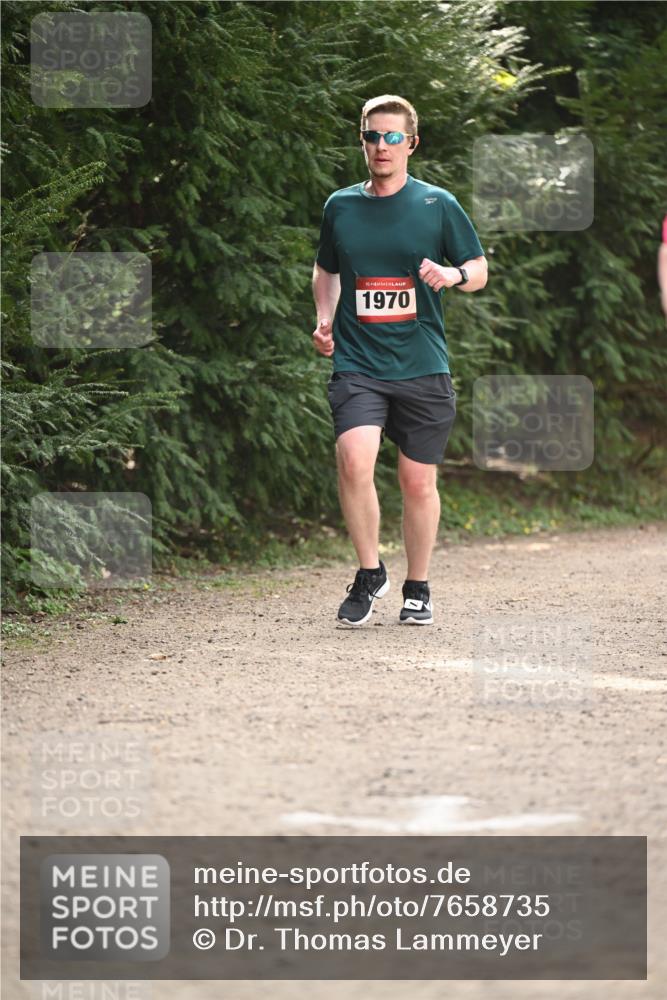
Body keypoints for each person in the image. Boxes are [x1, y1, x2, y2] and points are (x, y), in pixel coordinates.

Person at [312, 94, 487, 626]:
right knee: (353, 460)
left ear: (411, 143)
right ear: (362, 141)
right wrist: (323, 318)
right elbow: (326, 270)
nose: (381, 146)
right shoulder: (340, 205)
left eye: (392, 137)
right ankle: (370, 573)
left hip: (422, 364)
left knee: (417, 481)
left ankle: (418, 586)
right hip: (358, 362)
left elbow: (478, 268)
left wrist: (454, 275)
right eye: (372, 136)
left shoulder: (437, 204)